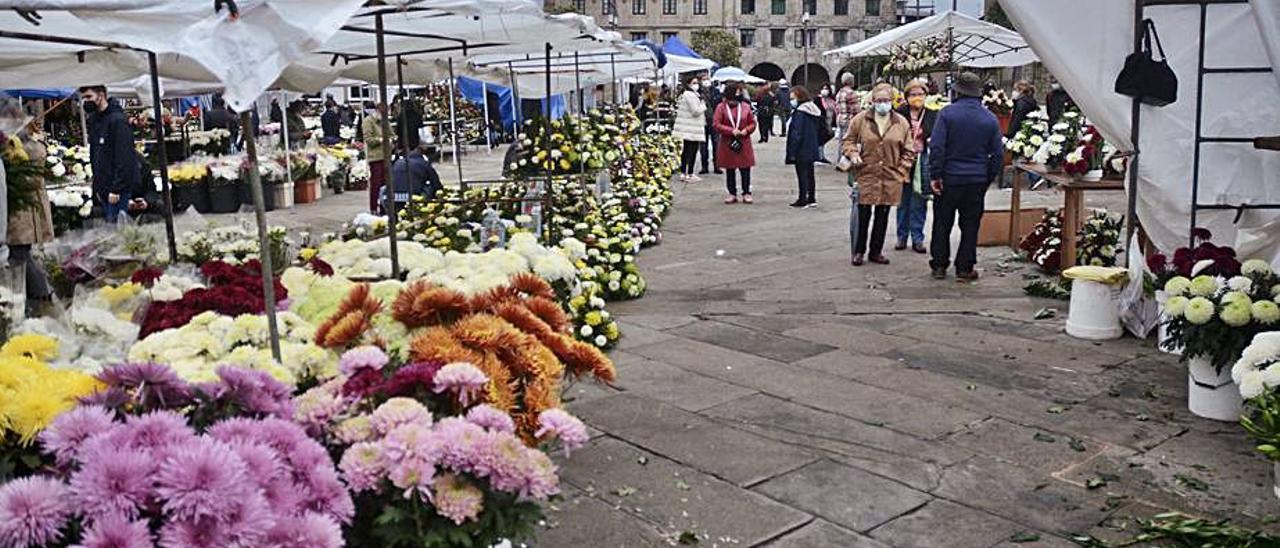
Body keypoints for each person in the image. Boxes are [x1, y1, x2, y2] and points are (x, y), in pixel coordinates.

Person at [928, 72, 1004, 281]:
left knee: (942, 222)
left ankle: (939, 265)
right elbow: (998, 154)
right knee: (970, 225)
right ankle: (965, 268)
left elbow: (937, 147)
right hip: (976, 180)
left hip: (949, 179)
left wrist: (935, 174)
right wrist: (986, 178)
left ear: (957, 92)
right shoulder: (989, 118)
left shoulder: (946, 114)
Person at [842, 83, 915, 266]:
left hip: (890, 175)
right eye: (879, 100)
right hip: (866, 173)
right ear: (873, 101)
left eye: (886, 100)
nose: (883, 104)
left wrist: (901, 170)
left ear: (892, 102)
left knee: (883, 215)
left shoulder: (901, 122)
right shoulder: (860, 120)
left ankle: (876, 251)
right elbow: (848, 140)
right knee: (863, 214)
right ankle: (858, 251)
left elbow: (909, 150)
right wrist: (853, 153)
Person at [5, 125, 54, 313]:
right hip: (25, 214)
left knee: (20, 257)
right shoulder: (32, 147)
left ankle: (42, 298)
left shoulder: (22, 151)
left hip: (20, 215)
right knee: (21, 257)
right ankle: (41, 298)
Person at [81, 85, 138, 222]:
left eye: (89, 97)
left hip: (116, 191)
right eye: (83, 98)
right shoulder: (95, 121)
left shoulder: (117, 121)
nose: (85, 102)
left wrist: (117, 188)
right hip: (103, 189)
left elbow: (124, 157)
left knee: (119, 229)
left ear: (101, 96)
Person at [895, 80, 937, 254]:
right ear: (906, 97)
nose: (917, 98)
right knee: (902, 201)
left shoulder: (933, 115)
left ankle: (918, 238)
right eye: (913, 94)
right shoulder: (898, 114)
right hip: (903, 160)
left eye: (920, 94)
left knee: (919, 200)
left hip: (922, 160)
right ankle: (901, 236)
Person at [712, 82, 757, 204]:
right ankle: (732, 193)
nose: (739, 93)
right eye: (737, 91)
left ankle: (746, 192)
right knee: (730, 169)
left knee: (745, 168)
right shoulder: (721, 107)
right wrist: (731, 131)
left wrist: (746, 130)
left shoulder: (745, 107)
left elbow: (752, 123)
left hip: (743, 140)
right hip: (728, 141)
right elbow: (716, 124)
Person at [785, 86, 823, 209]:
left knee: (802, 174)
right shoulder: (813, 110)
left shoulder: (801, 112)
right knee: (810, 173)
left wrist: (792, 151)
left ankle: (803, 198)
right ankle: (811, 198)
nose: (791, 101)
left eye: (793, 98)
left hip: (801, 147)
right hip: (812, 145)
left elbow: (796, 132)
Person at [385, 144, 442, 212]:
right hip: (414, 196)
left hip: (394, 196)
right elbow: (435, 182)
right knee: (429, 186)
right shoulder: (423, 163)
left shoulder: (397, 162)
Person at [673, 78, 707, 183]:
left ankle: (685, 172)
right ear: (688, 84)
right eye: (694, 83)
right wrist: (703, 105)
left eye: (697, 83)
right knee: (691, 151)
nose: (696, 85)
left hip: (690, 127)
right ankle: (689, 173)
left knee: (687, 150)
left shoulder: (689, 94)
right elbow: (695, 111)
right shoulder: (690, 95)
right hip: (692, 128)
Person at [362, 101, 389, 213]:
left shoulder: (384, 121)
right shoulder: (368, 121)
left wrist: (393, 138)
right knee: (376, 184)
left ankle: (384, 206)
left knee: (386, 184)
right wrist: (381, 140)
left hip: (386, 155)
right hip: (376, 157)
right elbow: (368, 139)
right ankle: (373, 207)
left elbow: (391, 133)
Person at [834, 73, 861, 144]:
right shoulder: (851, 93)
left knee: (841, 142)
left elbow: (836, 107)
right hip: (849, 120)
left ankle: (840, 154)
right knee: (850, 142)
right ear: (851, 81)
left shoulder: (839, 92)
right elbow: (856, 110)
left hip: (840, 119)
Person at [702, 79, 721, 174]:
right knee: (703, 145)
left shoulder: (716, 91)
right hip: (702, 121)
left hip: (714, 121)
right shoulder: (699, 92)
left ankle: (717, 166)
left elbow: (718, 104)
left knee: (716, 144)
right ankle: (704, 166)